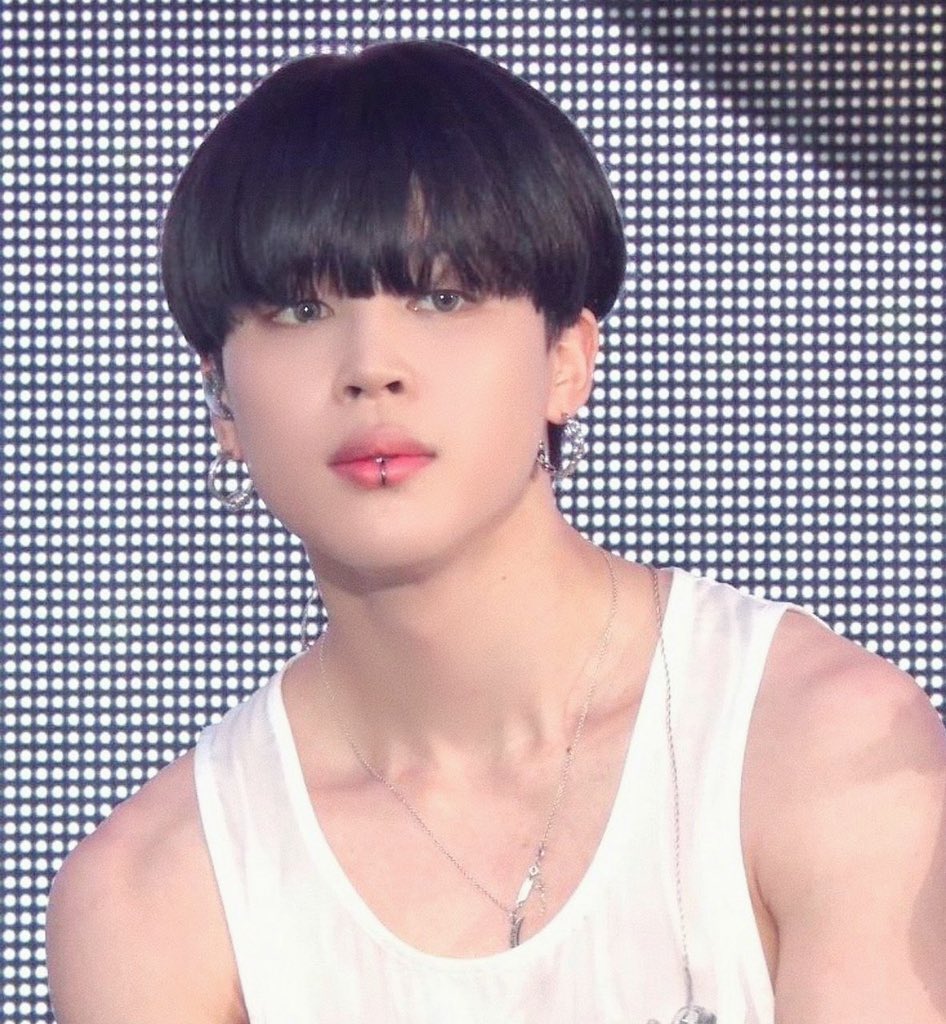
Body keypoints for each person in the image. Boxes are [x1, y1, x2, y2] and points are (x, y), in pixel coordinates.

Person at [45, 40, 946, 1024]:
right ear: (221, 398)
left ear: (567, 359)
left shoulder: (814, 743)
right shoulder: (157, 892)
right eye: (300, 309)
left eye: (443, 297)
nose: (372, 367)